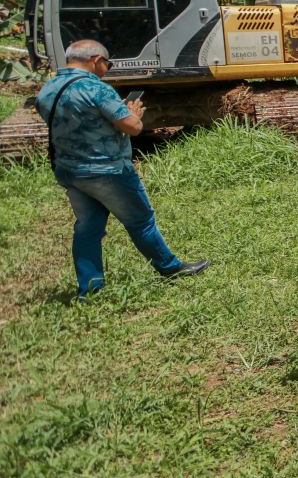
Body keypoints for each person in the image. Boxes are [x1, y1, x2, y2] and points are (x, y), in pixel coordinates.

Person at [37, 39, 209, 296]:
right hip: (107, 171)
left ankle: (91, 287)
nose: (107, 68)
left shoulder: (48, 89)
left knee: (88, 226)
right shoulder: (97, 89)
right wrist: (134, 113)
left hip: (70, 170)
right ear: (96, 60)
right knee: (141, 221)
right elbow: (132, 127)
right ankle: (170, 267)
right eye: (108, 63)